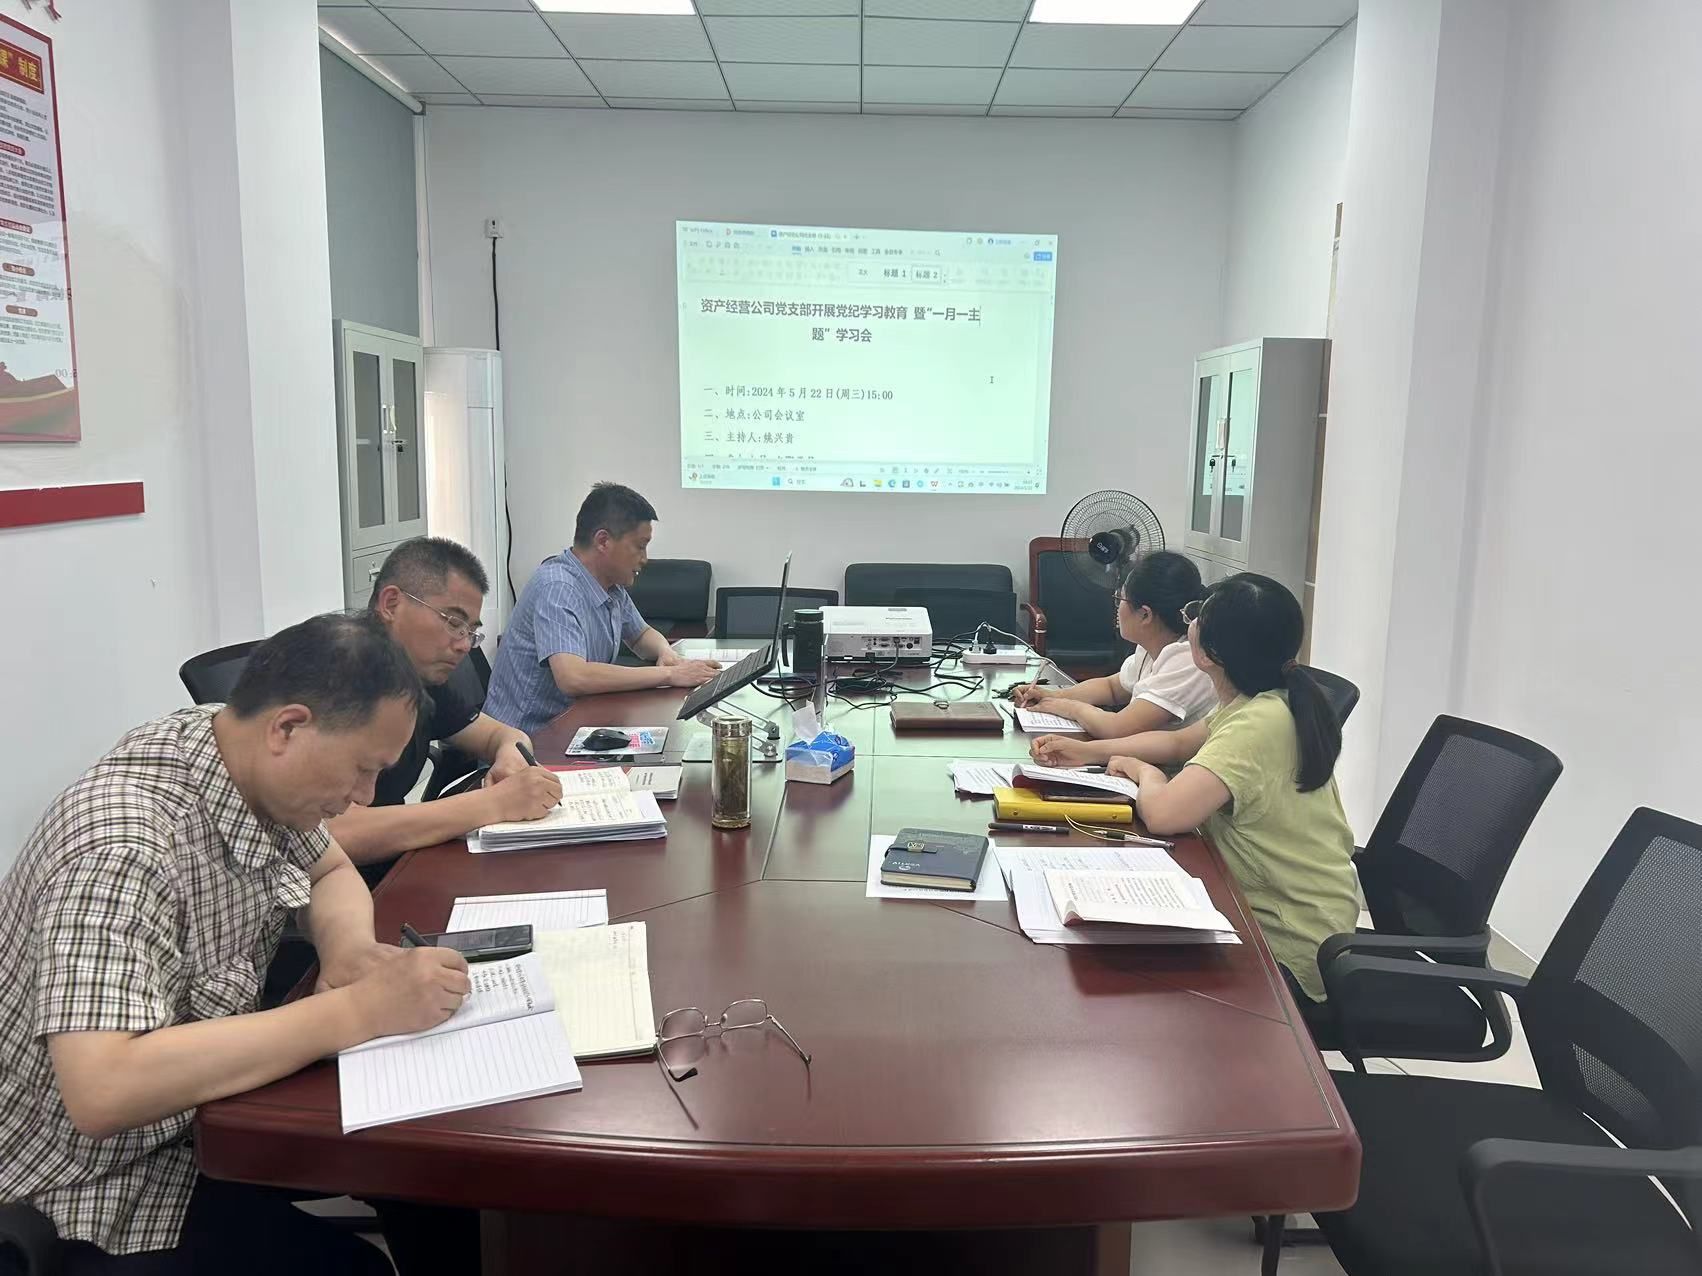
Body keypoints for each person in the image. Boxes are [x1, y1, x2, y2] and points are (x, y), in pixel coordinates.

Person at [0, 614, 476, 1274]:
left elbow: (331, 869)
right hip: (88, 1186)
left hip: (201, 1114)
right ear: (289, 728)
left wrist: (346, 950)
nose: (362, 797)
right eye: (363, 770)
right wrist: (356, 1011)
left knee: (431, 1175)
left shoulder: (234, 752)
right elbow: (102, 1089)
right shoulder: (121, 847)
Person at [1101, 574, 1358, 1011]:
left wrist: (1142, 771)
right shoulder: (1258, 703)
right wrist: (1087, 751)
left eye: (1197, 616)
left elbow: (1163, 814)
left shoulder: (1258, 724)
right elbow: (1179, 744)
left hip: (1285, 947)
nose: (1189, 622)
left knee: (1124, 986)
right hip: (1270, 912)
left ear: (1210, 653)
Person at [329, 536, 562, 885]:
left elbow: (501, 734)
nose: (464, 644)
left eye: (471, 632)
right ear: (391, 603)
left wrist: (510, 757)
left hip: (392, 868)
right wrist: (494, 803)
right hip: (344, 884)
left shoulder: (418, 673)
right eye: (453, 622)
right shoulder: (335, 675)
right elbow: (334, 832)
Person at [484, 482, 720, 736]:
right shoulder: (558, 587)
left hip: (575, 724)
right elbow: (573, 677)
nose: (644, 559)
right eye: (640, 546)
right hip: (526, 739)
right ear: (603, 541)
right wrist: (668, 674)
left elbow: (641, 636)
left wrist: (666, 652)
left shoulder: (611, 587)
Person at [1018, 551, 1217, 768]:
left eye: (1119, 599)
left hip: (1173, 773)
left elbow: (1118, 728)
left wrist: (1069, 707)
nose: (1116, 608)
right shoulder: (1151, 646)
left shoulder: (1186, 659)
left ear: (1145, 614)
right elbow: (1112, 687)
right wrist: (1052, 696)